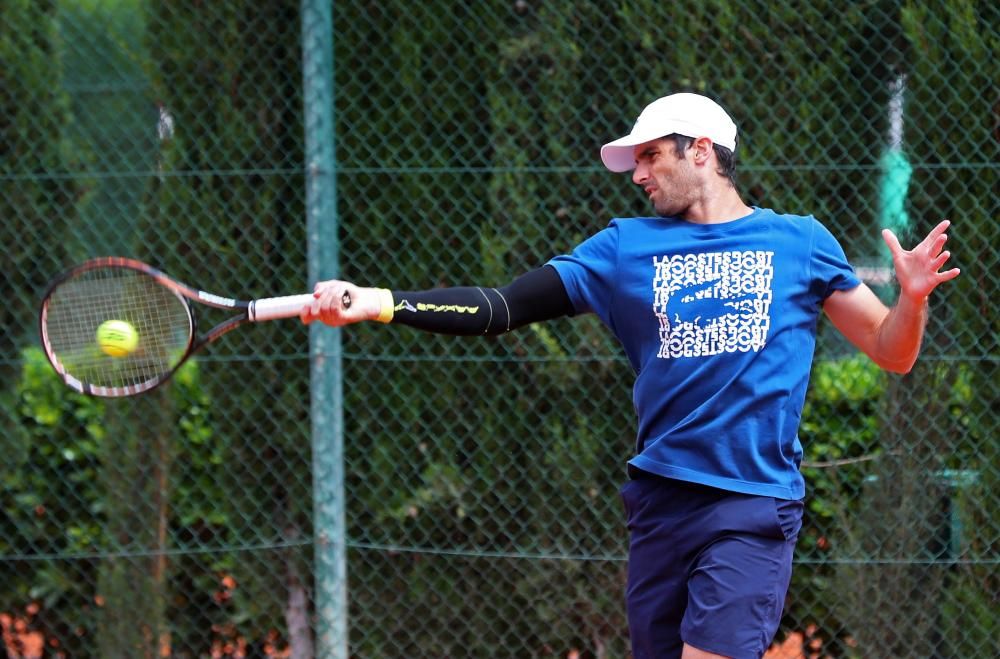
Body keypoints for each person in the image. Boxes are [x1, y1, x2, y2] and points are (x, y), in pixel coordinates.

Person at [299, 92, 960, 659]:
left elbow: (890, 349)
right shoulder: (621, 248)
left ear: (701, 151)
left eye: (651, 156)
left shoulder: (801, 242)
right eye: (636, 161)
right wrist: (382, 301)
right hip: (659, 505)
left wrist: (914, 298)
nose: (638, 174)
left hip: (751, 504)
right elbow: (501, 307)